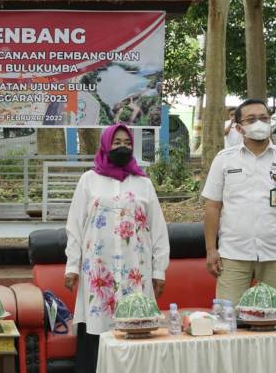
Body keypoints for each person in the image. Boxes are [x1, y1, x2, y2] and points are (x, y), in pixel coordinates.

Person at [64, 124, 169, 373]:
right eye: (116, 142)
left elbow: (158, 228)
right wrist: (71, 266)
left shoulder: (143, 182)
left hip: (136, 270)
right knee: (97, 327)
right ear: (105, 145)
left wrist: (159, 270)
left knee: (136, 327)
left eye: (126, 142)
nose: (122, 147)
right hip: (99, 272)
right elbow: (75, 225)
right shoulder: (89, 180)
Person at [202, 98, 276, 305]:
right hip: (233, 255)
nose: (259, 123)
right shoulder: (224, 160)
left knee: (272, 320)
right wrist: (211, 250)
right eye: (251, 119)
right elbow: (212, 206)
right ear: (239, 127)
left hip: (275, 255)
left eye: (264, 118)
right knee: (229, 320)